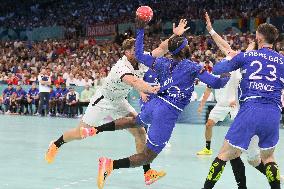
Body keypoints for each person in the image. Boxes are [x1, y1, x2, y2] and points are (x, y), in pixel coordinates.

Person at [45, 19, 189, 186]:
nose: (139, 51)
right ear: (127, 52)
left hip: (120, 101)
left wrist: (175, 35)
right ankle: (55, 144)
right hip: (103, 100)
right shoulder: (121, 67)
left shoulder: (141, 58)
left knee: (140, 131)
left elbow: (162, 48)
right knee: (81, 133)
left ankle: (147, 172)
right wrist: (152, 89)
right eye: (135, 49)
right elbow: (134, 82)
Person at [94, 19, 229, 189]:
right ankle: (109, 165)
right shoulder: (192, 67)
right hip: (166, 112)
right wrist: (228, 74)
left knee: (136, 121)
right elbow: (216, 83)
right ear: (185, 49)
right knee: (147, 156)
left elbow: (140, 55)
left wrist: (141, 29)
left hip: (154, 104)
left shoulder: (163, 62)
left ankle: (96, 129)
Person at [202, 23, 283, 189]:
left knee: (224, 154)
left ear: (259, 38)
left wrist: (234, 57)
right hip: (273, 112)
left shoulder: (247, 56)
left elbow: (218, 69)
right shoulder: (282, 61)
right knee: (268, 158)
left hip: (251, 109)